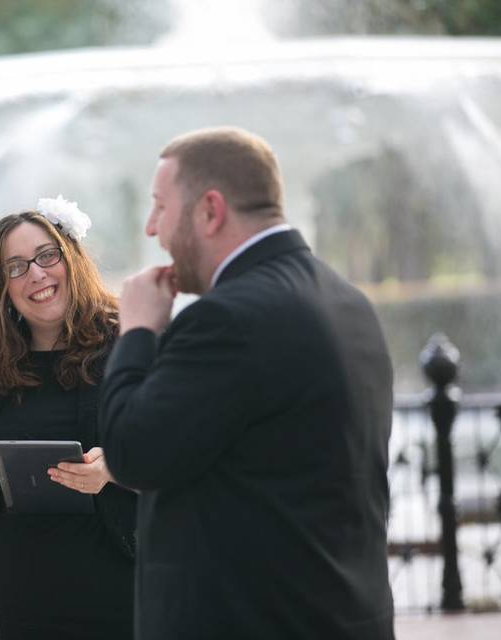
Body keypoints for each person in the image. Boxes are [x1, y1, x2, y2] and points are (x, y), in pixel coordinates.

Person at [99, 128, 395, 640]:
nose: (152, 229)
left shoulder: (226, 320)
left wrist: (137, 332)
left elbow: (131, 452)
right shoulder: (349, 302)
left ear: (209, 211)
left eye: (160, 207)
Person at [0, 197, 137, 640]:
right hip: (13, 599)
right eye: (15, 267)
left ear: (70, 259)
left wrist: (116, 467)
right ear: (3, 287)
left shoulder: (133, 348)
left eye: (46, 256)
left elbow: (189, 451)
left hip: (121, 594)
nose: (35, 273)